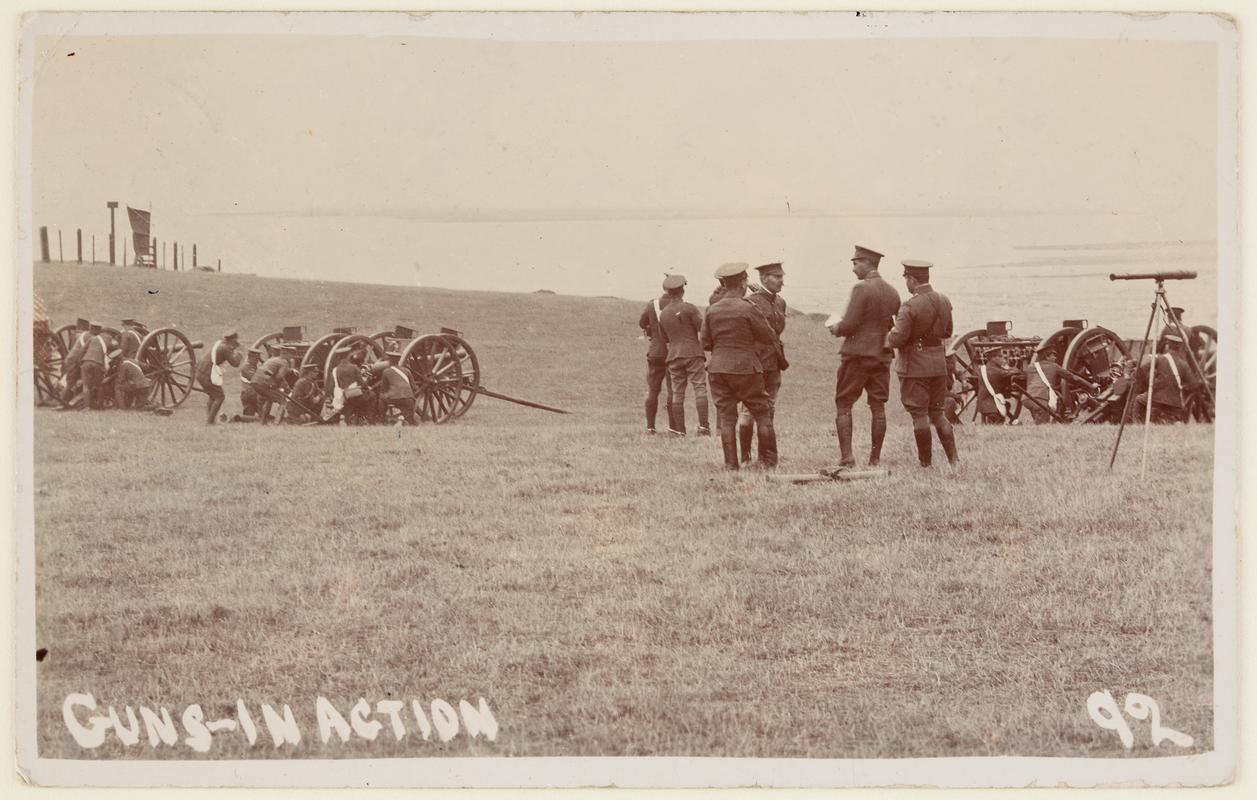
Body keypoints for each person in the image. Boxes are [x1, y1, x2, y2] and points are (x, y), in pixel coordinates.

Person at [700, 262, 779, 470]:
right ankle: (769, 463)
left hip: (717, 368)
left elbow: (706, 343)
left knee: (727, 418)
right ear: (743, 282)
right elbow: (768, 335)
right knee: (762, 413)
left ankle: (731, 465)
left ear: (724, 284)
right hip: (746, 368)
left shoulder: (712, 310)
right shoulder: (748, 308)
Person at [828, 245, 902, 467]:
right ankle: (875, 459)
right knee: (878, 406)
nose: (853, 269)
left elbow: (849, 324)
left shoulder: (861, 289)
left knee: (843, 403)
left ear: (868, 263)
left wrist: (836, 328)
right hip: (881, 355)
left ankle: (847, 457)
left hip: (857, 355)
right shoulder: (893, 292)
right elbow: (892, 324)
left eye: (856, 263)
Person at [887, 260, 959, 467]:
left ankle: (926, 464)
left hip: (915, 367)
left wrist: (889, 335)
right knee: (937, 413)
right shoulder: (944, 300)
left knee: (919, 415)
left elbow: (897, 339)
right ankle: (954, 460)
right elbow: (947, 332)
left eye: (906, 279)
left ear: (912, 279)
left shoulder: (909, 306)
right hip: (938, 365)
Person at [738, 262, 788, 462]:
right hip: (756, 364)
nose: (782, 281)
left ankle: (765, 456)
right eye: (777, 277)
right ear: (763, 278)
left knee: (770, 409)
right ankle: (745, 457)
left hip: (774, 363)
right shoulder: (751, 302)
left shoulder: (780, 302)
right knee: (749, 411)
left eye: (782, 276)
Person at [656, 274, 710, 436]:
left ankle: (680, 430)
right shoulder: (689, 308)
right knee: (700, 388)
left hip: (673, 356)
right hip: (693, 353)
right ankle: (703, 428)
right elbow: (703, 328)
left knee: (678, 393)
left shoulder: (663, 313)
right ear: (682, 290)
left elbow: (664, 337)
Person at [1133, 332, 1199, 423]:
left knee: (1138, 400)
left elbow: (1142, 369)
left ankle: (1138, 425)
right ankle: (1172, 422)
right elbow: (1194, 385)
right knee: (1172, 419)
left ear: (1168, 346)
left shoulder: (1160, 359)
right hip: (1175, 402)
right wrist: (1181, 387)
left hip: (1156, 398)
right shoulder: (1184, 364)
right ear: (1180, 347)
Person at [638, 279, 676, 434]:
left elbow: (642, 322)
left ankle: (650, 427)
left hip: (655, 352)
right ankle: (674, 427)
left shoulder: (652, 304)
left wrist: (651, 328)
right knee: (673, 391)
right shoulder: (679, 306)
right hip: (673, 352)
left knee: (653, 391)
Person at [1023, 348, 1095, 423]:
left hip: (1027, 399)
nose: (1055, 357)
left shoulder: (1031, 367)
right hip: (1041, 399)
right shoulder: (1053, 366)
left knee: (1039, 421)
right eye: (1052, 355)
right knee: (1043, 426)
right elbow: (1073, 378)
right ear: (1046, 357)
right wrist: (1091, 386)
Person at [196, 330, 243, 424]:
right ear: (232, 339)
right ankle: (210, 421)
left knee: (212, 395)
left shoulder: (219, 343)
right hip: (207, 373)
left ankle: (210, 419)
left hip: (200, 371)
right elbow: (235, 363)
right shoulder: (225, 348)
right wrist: (239, 355)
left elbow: (223, 353)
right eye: (235, 340)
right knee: (220, 396)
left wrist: (233, 349)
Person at [975, 350, 1020, 425]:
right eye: (999, 356)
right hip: (991, 407)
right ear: (992, 358)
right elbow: (1016, 371)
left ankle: (1007, 420)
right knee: (997, 424)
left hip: (984, 404)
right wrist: (1013, 368)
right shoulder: (996, 371)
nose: (1002, 359)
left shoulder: (982, 369)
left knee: (1006, 405)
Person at [112, 337, 155, 410]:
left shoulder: (123, 365)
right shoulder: (132, 360)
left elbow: (120, 381)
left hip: (139, 387)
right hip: (145, 386)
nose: (114, 363)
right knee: (137, 406)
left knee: (117, 387)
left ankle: (122, 409)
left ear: (117, 359)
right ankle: (127, 405)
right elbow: (147, 367)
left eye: (114, 361)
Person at [372, 359, 420, 425]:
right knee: (409, 419)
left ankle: (382, 419)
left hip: (394, 399)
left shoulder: (386, 371)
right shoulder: (407, 371)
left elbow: (383, 388)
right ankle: (407, 420)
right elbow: (414, 387)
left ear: (390, 362)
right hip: (409, 399)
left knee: (381, 396)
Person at [250, 353, 293, 424]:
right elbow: (279, 377)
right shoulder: (284, 362)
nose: (292, 356)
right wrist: (283, 388)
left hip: (255, 382)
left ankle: (263, 422)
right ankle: (276, 423)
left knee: (269, 399)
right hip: (265, 383)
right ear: (288, 354)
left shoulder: (272, 359)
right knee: (283, 402)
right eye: (291, 354)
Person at [79, 322, 112, 410]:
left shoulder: (92, 339)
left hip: (86, 362)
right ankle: (100, 406)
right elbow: (114, 352)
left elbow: (82, 351)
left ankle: (86, 407)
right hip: (98, 363)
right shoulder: (108, 341)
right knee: (99, 386)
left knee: (85, 386)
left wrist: (80, 362)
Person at [59, 317, 91, 404]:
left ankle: (65, 397)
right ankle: (64, 400)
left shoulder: (74, 335)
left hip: (69, 360)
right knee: (71, 382)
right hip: (75, 362)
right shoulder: (84, 336)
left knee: (69, 381)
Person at [236, 346, 265, 420]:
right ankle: (236, 418)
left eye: (258, 359)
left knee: (251, 417)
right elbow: (256, 379)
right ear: (250, 357)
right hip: (250, 394)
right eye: (256, 359)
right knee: (250, 416)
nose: (257, 360)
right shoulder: (247, 366)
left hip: (250, 393)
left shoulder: (252, 366)